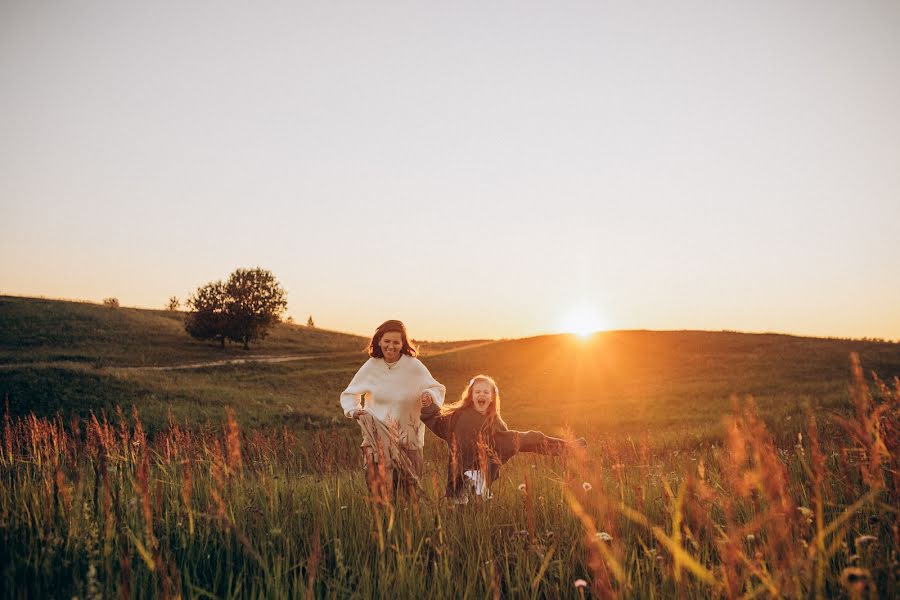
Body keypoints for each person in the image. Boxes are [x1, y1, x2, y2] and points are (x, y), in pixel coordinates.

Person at [421, 374, 585, 503]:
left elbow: (507, 441)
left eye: (486, 392)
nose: (482, 395)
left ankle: (569, 448)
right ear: (471, 396)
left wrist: (512, 445)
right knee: (461, 508)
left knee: (533, 437)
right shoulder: (457, 416)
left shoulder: (494, 421)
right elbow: (437, 422)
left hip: (482, 472)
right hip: (459, 471)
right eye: (477, 392)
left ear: (492, 398)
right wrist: (429, 405)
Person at [340, 319, 446, 498]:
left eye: (396, 342)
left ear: (403, 343)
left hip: (408, 441)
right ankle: (382, 525)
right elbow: (349, 394)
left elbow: (437, 388)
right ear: (379, 341)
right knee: (380, 496)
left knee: (410, 497)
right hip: (378, 442)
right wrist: (354, 410)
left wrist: (429, 395)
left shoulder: (413, 366)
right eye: (387, 341)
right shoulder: (371, 366)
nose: (391, 346)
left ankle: (409, 525)